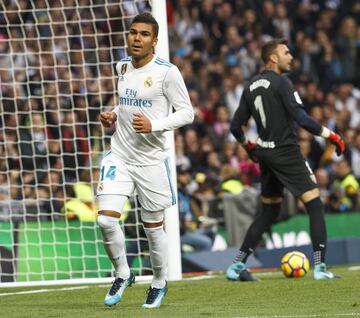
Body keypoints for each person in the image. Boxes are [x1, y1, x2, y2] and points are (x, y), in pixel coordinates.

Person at [96, 13, 194, 308]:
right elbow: (127, 101)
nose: (136, 38)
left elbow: (187, 112)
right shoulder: (122, 66)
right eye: (133, 33)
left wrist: (154, 125)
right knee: (105, 220)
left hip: (151, 161)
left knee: (153, 228)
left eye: (144, 34)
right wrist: (113, 113)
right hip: (120, 155)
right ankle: (123, 273)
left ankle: (159, 281)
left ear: (155, 41)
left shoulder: (168, 72)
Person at [226, 38, 345, 281]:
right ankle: (320, 268)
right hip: (286, 151)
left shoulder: (250, 87)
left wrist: (248, 146)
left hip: (264, 153)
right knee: (314, 204)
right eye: (286, 53)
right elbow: (301, 118)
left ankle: (236, 266)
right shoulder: (282, 82)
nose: (291, 57)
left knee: (269, 212)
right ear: (272, 58)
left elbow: (235, 126)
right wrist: (331, 135)